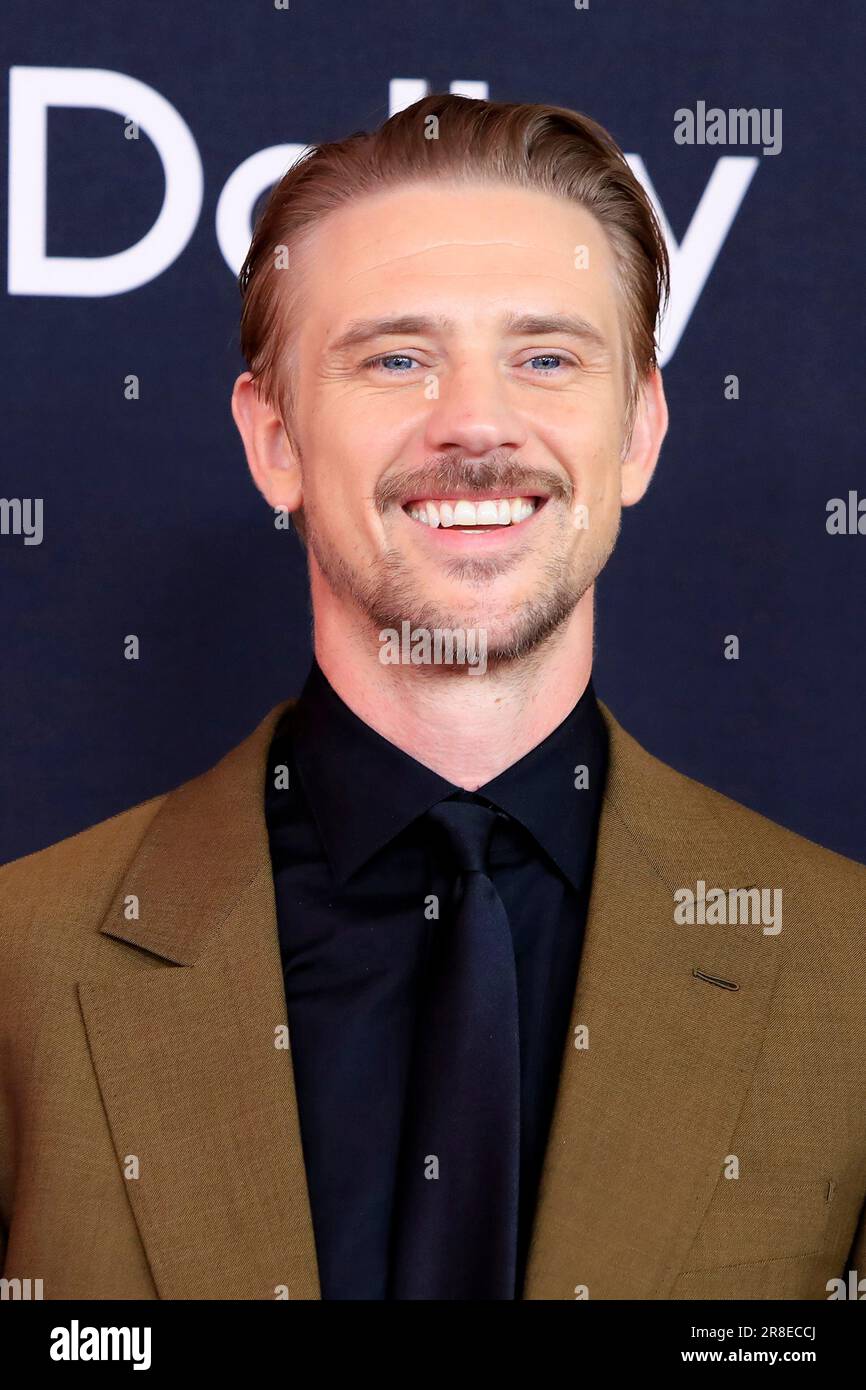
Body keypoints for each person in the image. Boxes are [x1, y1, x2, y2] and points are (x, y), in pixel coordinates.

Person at [1, 94, 864, 1302]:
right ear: (274, 441)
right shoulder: (20, 967)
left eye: (546, 357)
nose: (474, 423)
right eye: (395, 358)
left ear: (640, 430)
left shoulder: (845, 972)